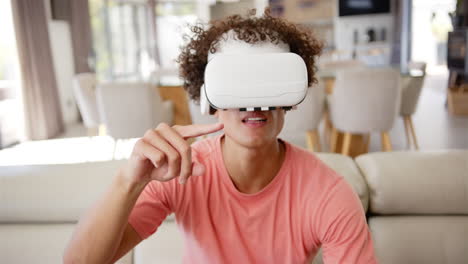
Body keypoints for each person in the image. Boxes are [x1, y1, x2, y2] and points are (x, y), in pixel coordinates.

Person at [64, 9, 377, 264]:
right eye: (236, 83)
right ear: (208, 100)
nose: (252, 103)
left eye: (267, 81)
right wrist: (129, 181)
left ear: (291, 97)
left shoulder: (328, 192)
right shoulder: (180, 170)